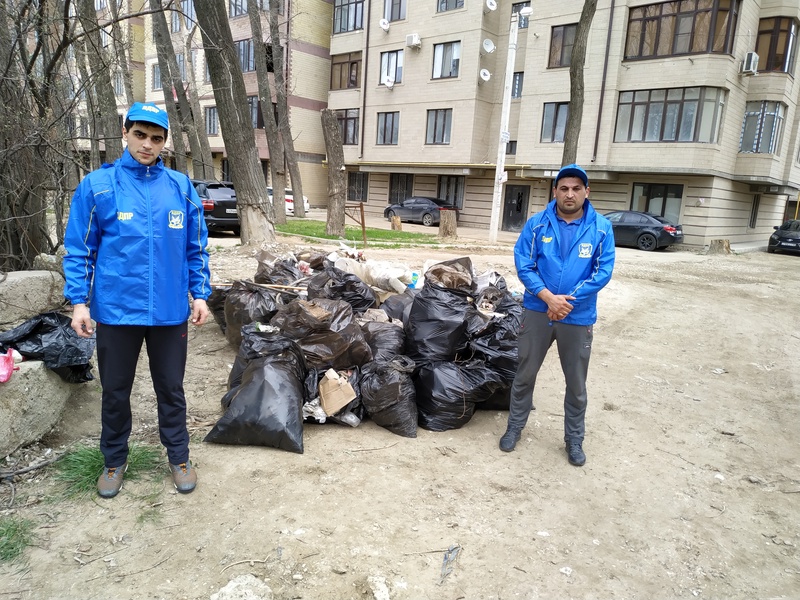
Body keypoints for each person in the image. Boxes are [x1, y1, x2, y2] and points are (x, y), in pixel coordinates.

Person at [63, 102, 212, 497]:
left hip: (168, 312)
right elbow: (79, 250)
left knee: (171, 389)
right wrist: (79, 301)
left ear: (165, 142)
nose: (148, 145)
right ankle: (113, 460)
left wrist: (200, 294)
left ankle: (179, 455)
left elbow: (196, 248)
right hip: (115, 309)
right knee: (115, 390)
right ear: (126, 132)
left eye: (157, 138)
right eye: (140, 135)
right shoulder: (98, 186)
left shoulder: (180, 188)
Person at [499, 164, 615, 466]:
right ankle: (514, 427)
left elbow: (603, 271)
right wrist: (547, 296)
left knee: (576, 384)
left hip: (577, 317)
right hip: (538, 311)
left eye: (577, 188)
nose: (570, 193)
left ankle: (574, 441)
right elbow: (523, 262)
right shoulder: (537, 224)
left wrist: (568, 302)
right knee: (524, 375)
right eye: (564, 188)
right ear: (555, 192)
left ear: (587, 192)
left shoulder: (601, 228)